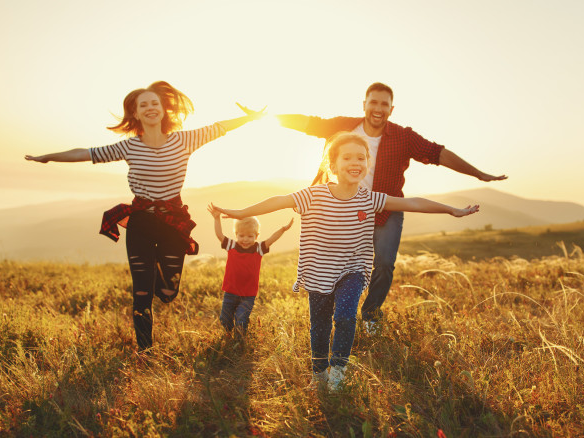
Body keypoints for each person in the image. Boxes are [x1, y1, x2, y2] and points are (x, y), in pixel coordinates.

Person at [208, 131, 479, 391]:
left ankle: (338, 372)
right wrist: (238, 212)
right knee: (321, 324)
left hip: (353, 270)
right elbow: (278, 201)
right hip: (318, 273)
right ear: (333, 164)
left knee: (346, 316)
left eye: (361, 157)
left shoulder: (370, 199)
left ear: (366, 164)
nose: (355, 162)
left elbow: (414, 203)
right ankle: (319, 373)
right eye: (347, 157)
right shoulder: (313, 195)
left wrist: (451, 209)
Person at [25, 81, 264, 352]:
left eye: (154, 103)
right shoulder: (128, 147)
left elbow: (219, 127)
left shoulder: (184, 140)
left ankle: (155, 280)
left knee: (168, 291)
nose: (150, 108)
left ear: (163, 110)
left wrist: (251, 117)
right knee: (140, 292)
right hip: (141, 221)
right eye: (143, 105)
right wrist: (48, 157)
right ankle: (145, 349)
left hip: (172, 223)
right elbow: (85, 153)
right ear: (136, 114)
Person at [260, 82, 505, 334]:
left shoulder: (402, 136)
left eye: (384, 104)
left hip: (385, 208)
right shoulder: (344, 126)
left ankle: (371, 315)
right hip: (342, 207)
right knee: (336, 262)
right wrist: (264, 116)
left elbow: (437, 153)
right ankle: (335, 312)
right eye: (373, 102)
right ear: (364, 104)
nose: (378, 109)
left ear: (391, 108)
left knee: (385, 263)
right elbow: (309, 123)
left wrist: (478, 174)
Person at [211, 211, 293, 338]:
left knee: (241, 319)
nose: (245, 239)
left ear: (256, 236)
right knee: (224, 318)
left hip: (248, 295)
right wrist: (217, 219)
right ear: (236, 234)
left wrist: (283, 229)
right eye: (241, 235)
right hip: (230, 292)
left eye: (250, 236)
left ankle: (239, 342)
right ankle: (228, 336)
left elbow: (272, 239)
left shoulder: (258, 248)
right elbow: (219, 235)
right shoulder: (232, 245)